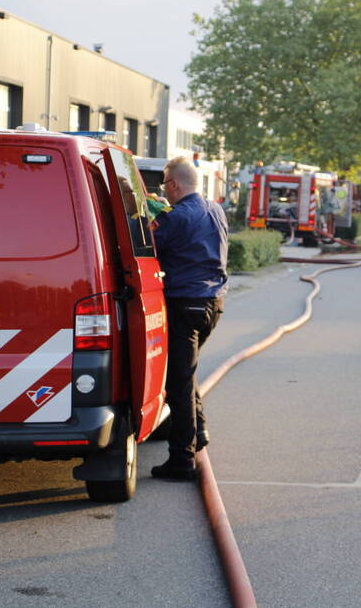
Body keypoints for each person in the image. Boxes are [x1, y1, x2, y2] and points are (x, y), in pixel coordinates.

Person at [150, 156, 229, 481]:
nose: (164, 191)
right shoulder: (216, 210)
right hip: (214, 304)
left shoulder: (175, 217)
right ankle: (201, 431)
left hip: (184, 304)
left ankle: (182, 459)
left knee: (178, 383)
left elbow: (145, 248)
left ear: (174, 185)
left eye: (165, 185)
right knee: (187, 371)